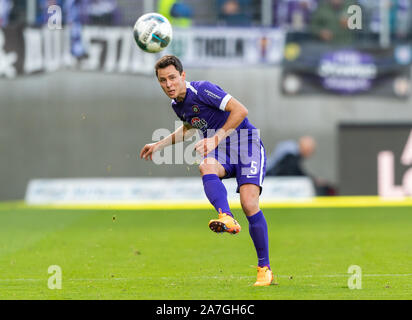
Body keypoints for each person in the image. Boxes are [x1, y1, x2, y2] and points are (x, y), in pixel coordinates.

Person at [140, 55, 273, 286]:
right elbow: (189, 128)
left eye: (172, 78)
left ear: (182, 76)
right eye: (163, 80)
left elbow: (241, 110)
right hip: (221, 150)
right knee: (205, 165)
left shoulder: (203, 90)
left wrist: (216, 138)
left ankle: (264, 268)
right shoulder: (177, 105)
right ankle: (226, 217)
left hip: (246, 144)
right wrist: (158, 145)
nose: (168, 84)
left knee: (249, 204)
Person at [266, 136, 337, 196]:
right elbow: (293, 172)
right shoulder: (290, 155)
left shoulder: (291, 152)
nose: (310, 153)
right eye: (310, 150)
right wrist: (313, 180)